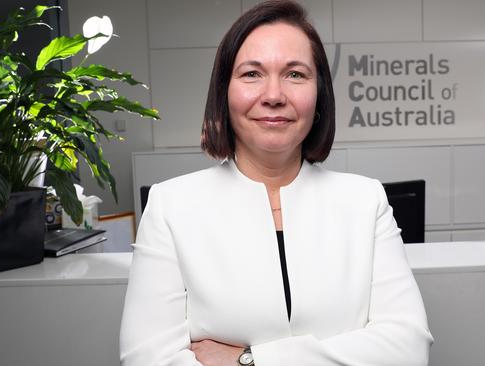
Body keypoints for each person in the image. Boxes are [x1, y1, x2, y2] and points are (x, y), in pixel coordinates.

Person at [119, 1, 433, 365]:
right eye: (252, 74)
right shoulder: (170, 206)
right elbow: (146, 360)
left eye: (295, 75)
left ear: (319, 98)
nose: (273, 95)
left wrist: (249, 360)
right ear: (224, 93)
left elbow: (407, 350)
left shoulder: (366, 201)